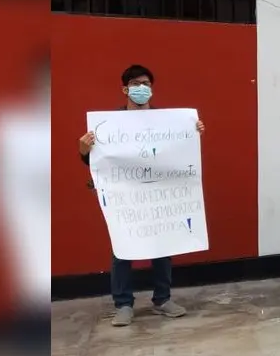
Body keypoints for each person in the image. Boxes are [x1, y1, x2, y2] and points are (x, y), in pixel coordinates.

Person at [78, 64, 205, 326]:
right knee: (122, 248)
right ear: (125, 88)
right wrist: (83, 149)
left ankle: (162, 299)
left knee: (163, 245)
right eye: (135, 84)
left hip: (159, 194)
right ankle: (123, 304)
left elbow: (180, 152)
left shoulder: (167, 122)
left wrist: (194, 133)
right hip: (126, 198)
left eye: (146, 84)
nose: (141, 88)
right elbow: (96, 162)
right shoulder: (109, 124)